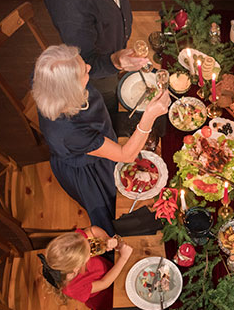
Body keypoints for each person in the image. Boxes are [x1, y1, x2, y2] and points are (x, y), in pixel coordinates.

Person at [32, 44, 169, 236]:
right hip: (90, 170)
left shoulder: (51, 75)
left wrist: (117, 61)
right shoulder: (68, 131)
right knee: (114, 208)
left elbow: (89, 67)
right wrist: (149, 117)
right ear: (70, 90)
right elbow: (126, 155)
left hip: (98, 138)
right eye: (83, 71)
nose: (88, 67)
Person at [39, 226, 133, 310]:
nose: (90, 245)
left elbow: (92, 230)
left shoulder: (75, 244)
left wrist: (106, 239)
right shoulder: (72, 289)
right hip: (103, 295)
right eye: (88, 253)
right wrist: (123, 258)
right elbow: (104, 283)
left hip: (110, 268)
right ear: (76, 268)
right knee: (113, 307)